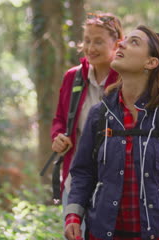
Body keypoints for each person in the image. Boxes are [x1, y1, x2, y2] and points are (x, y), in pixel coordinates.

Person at [64, 25, 159, 240]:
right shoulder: (100, 114)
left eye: (134, 42)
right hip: (103, 232)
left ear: (151, 62)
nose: (121, 43)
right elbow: (83, 171)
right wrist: (73, 215)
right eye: (124, 41)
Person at [51, 12, 123, 238]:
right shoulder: (72, 77)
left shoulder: (125, 78)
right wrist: (59, 136)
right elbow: (60, 119)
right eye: (87, 40)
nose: (90, 47)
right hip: (76, 177)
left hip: (116, 178)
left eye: (98, 41)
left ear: (117, 43)